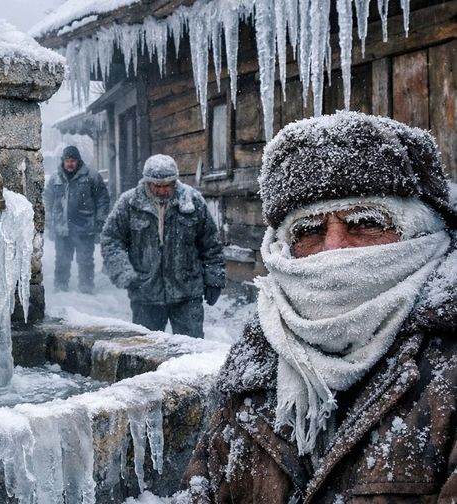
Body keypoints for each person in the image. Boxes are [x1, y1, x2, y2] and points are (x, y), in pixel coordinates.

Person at [173, 111, 457, 502]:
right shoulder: (257, 359)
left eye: (364, 221)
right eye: (308, 231)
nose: (334, 249)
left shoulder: (447, 366)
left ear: (422, 231)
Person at [101, 154, 224, 337]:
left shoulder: (192, 201)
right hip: (145, 293)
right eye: (156, 185)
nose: (162, 190)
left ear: (175, 181)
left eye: (167, 185)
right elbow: (111, 240)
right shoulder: (129, 203)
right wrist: (124, 273)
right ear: (146, 182)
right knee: (145, 353)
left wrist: (215, 278)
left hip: (187, 292)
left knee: (191, 353)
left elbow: (211, 244)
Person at [43, 145, 110, 293]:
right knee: (61, 261)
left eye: (73, 160)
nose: (70, 163)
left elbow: (102, 199)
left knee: (85, 261)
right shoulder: (55, 178)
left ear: (78, 161)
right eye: (67, 160)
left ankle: (86, 289)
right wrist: (49, 220)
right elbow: (47, 199)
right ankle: (60, 288)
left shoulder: (91, 176)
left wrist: (100, 219)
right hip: (62, 228)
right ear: (63, 161)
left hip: (84, 227)